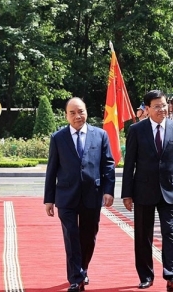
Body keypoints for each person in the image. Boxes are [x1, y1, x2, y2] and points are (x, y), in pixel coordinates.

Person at [44, 97, 115, 292]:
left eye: (81, 111)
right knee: (71, 236)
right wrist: (49, 199)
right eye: (73, 113)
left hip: (92, 195)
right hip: (66, 196)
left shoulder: (100, 135)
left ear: (86, 112)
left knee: (88, 236)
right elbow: (52, 169)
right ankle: (75, 278)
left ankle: (82, 269)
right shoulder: (58, 138)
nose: (78, 116)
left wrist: (108, 191)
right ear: (66, 115)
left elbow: (108, 164)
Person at [121, 90, 173, 292]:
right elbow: (129, 164)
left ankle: (172, 275)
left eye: (164, 105)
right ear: (147, 109)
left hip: (170, 189)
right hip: (143, 190)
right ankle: (146, 276)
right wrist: (127, 193)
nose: (162, 109)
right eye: (157, 106)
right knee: (143, 235)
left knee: (170, 233)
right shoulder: (136, 130)